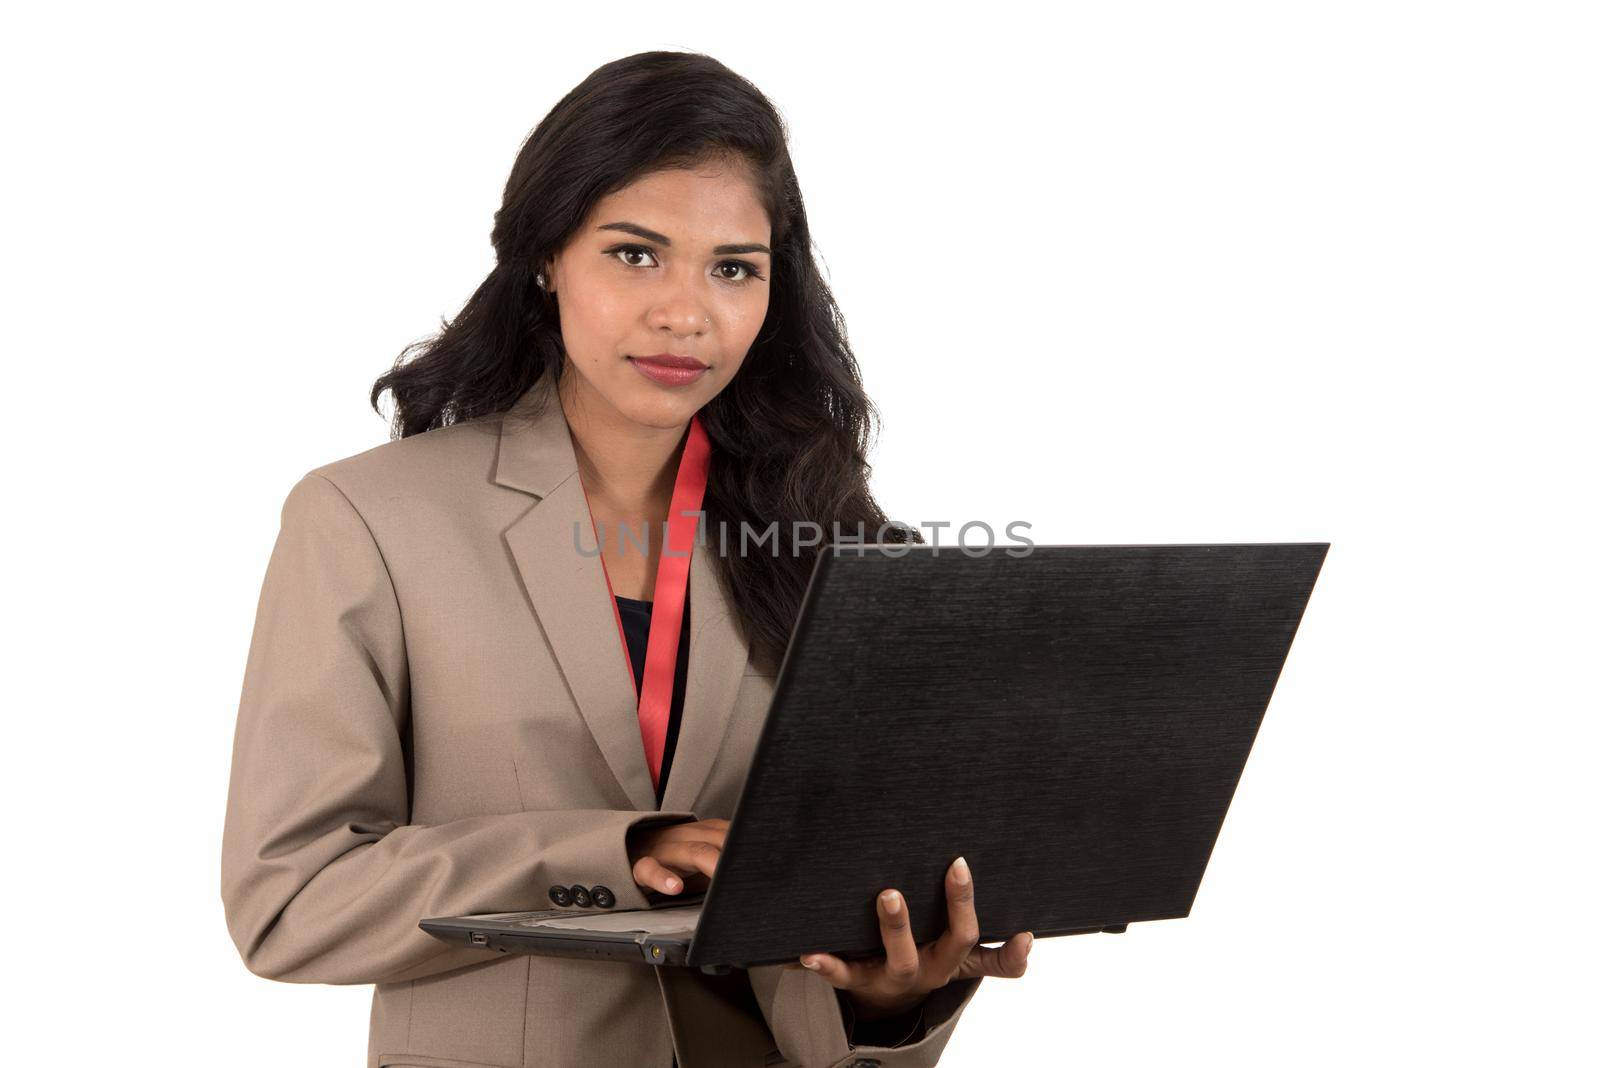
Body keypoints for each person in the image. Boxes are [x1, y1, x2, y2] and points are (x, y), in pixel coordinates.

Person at [221, 50, 1031, 1068]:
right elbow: (290, 903)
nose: (685, 313)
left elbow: (852, 908)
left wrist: (891, 1002)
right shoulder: (368, 520)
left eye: (733, 267)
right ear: (545, 254)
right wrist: (615, 854)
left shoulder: (835, 538)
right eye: (636, 254)